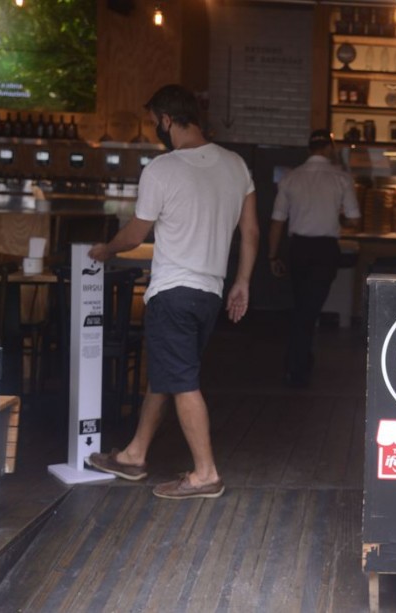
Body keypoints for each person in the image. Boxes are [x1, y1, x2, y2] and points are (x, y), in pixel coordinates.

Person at [86, 84, 259, 500]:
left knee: (181, 381)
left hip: (173, 293)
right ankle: (134, 454)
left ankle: (205, 474)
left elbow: (135, 234)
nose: (154, 131)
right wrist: (243, 281)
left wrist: (106, 249)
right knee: (167, 375)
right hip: (209, 295)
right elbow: (250, 230)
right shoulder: (236, 165)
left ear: (166, 119)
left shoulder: (162, 169)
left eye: (154, 123)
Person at [268, 129, 361, 387]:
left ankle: (299, 361)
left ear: (309, 148)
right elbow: (354, 219)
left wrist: (272, 254)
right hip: (325, 250)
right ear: (330, 148)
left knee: (302, 305)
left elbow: (277, 221)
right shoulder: (341, 179)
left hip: (298, 248)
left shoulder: (290, 179)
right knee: (309, 308)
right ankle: (297, 365)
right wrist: (337, 216)